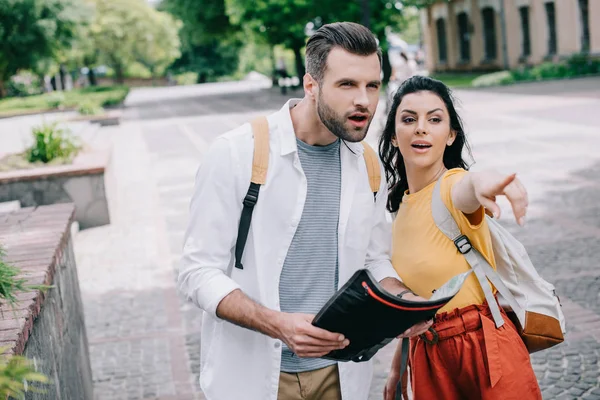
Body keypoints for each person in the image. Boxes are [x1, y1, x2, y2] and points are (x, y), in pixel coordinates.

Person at [178, 22, 431, 400]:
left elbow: (375, 258)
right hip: (255, 378)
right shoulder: (235, 153)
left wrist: (402, 301)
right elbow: (196, 272)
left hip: (340, 376)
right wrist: (278, 325)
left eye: (372, 86)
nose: (363, 100)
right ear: (311, 86)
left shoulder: (369, 165)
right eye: (347, 85)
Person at [379, 75, 542, 400]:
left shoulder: (454, 186)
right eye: (409, 119)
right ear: (395, 136)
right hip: (427, 354)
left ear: (451, 135)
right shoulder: (400, 210)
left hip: (482, 346)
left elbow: (469, 188)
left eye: (435, 119)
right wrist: (398, 365)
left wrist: (489, 181)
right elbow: (415, 297)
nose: (421, 128)